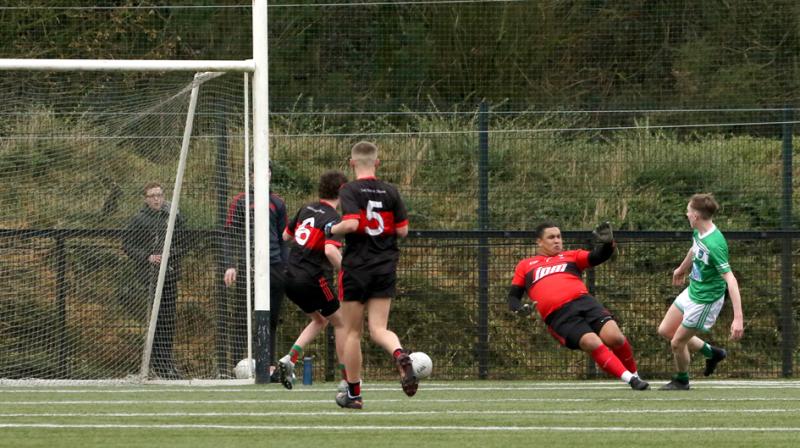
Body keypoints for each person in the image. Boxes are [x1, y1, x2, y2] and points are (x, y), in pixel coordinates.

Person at [326, 141, 416, 409]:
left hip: (357, 267)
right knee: (380, 329)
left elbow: (352, 223)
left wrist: (332, 228)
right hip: (385, 265)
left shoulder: (349, 189)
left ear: (352, 163)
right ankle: (399, 353)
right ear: (377, 163)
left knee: (353, 332)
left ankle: (354, 394)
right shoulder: (391, 190)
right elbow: (402, 232)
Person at [507, 221, 650, 391]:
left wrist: (607, 244)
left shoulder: (571, 256)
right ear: (539, 241)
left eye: (559, 237)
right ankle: (631, 380)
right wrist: (519, 308)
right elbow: (513, 296)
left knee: (615, 337)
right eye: (551, 237)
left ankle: (636, 375)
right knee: (592, 342)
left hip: (584, 302)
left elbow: (597, 257)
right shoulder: (526, 265)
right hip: (558, 314)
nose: (557, 241)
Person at [657, 193, 744, 390]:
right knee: (666, 330)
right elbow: (695, 249)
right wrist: (681, 268)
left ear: (695, 216)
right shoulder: (699, 232)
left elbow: (731, 279)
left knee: (677, 343)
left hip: (706, 300)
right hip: (693, 291)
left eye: (688, 211)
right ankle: (712, 353)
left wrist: (738, 318)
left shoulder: (715, 243)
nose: (686, 214)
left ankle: (682, 380)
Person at [276, 170, 350, 390]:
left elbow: (285, 237)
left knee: (320, 320)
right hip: (310, 277)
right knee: (341, 323)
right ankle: (347, 378)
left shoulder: (306, 208)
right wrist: (349, 271)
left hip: (288, 276)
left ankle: (290, 359)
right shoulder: (334, 219)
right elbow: (330, 252)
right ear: (342, 192)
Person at [223, 163, 288, 380]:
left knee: (271, 318)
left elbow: (283, 239)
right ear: (251, 176)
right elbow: (230, 235)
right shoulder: (240, 201)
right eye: (260, 172)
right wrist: (231, 264)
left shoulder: (277, 202)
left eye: (268, 172)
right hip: (248, 268)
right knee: (242, 316)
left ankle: (269, 366)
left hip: (274, 267)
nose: (264, 175)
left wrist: (285, 267)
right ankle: (236, 365)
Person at [122, 182, 188, 379]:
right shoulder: (139, 219)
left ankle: (165, 364)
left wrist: (171, 255)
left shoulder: (174, 216)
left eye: (159, 194)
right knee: (153, 319)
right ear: (146, 198)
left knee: (167, 319)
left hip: (169, 274)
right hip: (147, 277)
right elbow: (127, 244)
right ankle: (151, 363)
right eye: (152, 196)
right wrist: (148, 256)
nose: (157, 199)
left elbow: (185, 242)